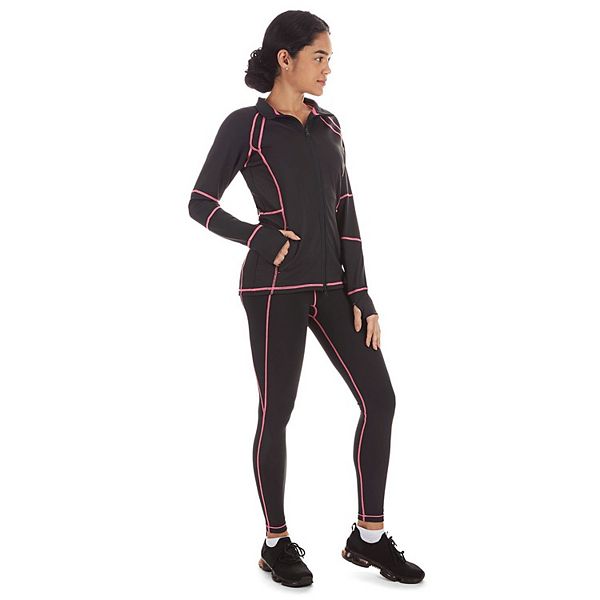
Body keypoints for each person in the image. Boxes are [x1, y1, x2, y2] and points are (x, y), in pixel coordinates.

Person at [188, 10, 425, 587]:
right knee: (277, 412)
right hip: (273, 290)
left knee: (381, 399)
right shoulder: (246, 126)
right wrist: (260, 237)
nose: (327, 69)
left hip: (334, 287)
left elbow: (345, 210)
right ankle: (276, 542)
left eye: (330, 59)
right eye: (319, 57)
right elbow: (200, 203)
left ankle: (369, 537)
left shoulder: (329, 125)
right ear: (284, 59)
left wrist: (361, 293)